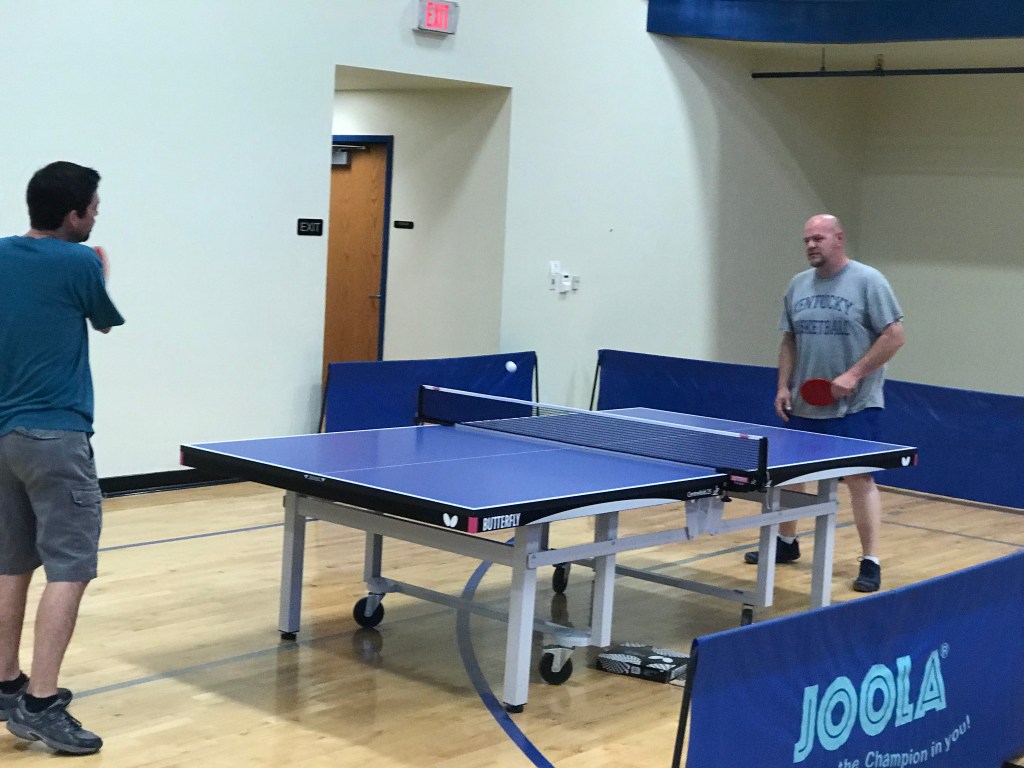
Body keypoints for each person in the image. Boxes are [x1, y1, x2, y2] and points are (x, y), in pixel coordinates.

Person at [0, 161, 124, 754]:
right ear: (73, 214)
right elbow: (105, 321)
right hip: (56, 437)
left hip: (3, 438)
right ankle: (41, 702)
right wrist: (101, 270)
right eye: (93, 207)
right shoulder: (79, 262)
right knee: (69, 569)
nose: (97, 214)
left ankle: (5, 683)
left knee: (10, 561)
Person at [744, 213, 904, 593]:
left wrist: (854, 375)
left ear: (839, 238)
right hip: (805, 402)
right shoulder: (797, 285)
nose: (811, 245)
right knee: (792, 476)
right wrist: (783, 386)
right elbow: (789, 340)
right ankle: (786, 542)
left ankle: (870, 560)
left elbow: (894, 336)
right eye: (806, 240)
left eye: (818, 238)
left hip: (856, 404)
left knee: (859, 479)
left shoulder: (868, 281)